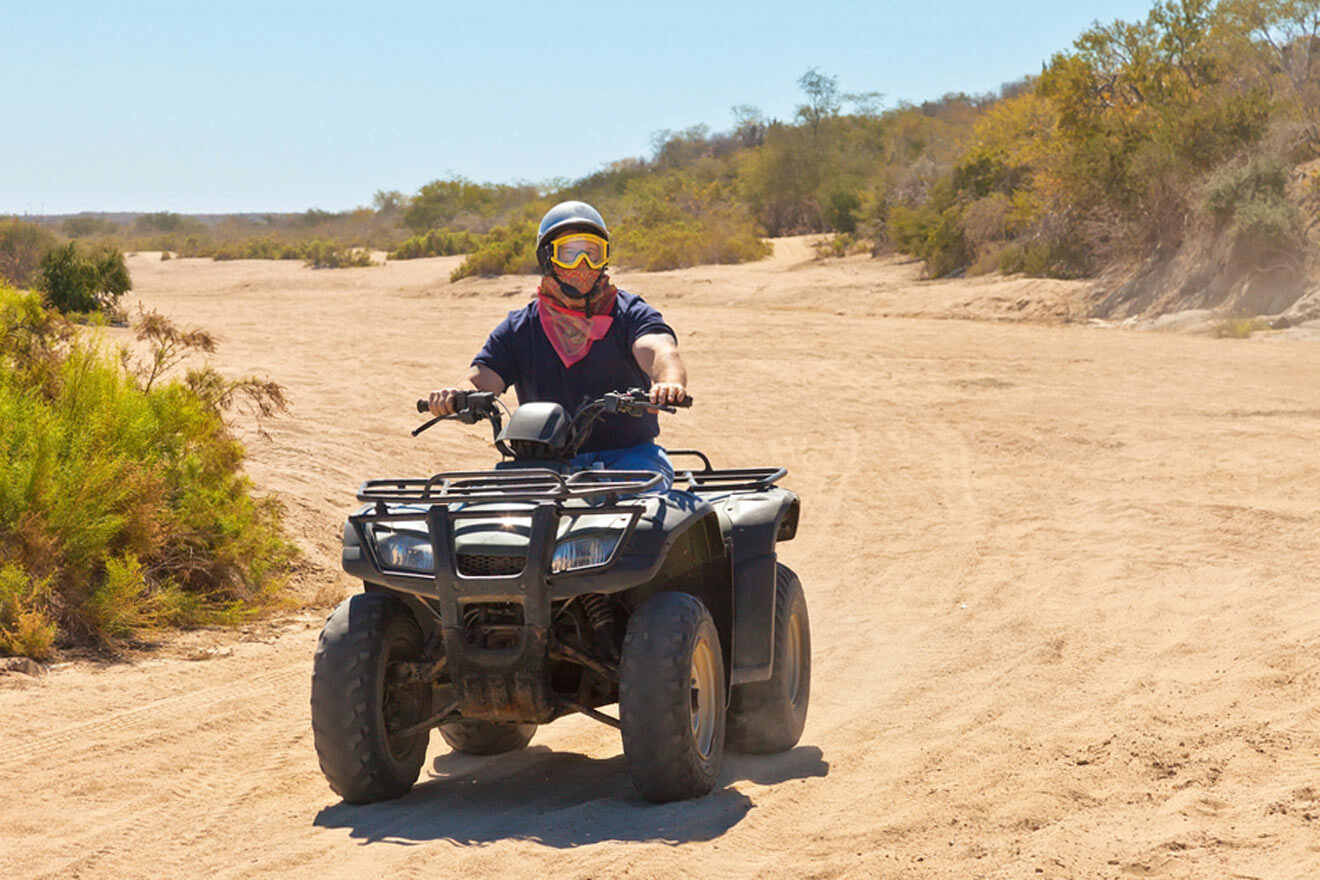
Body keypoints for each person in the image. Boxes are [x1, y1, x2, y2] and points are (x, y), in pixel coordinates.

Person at [428, 200, 687, 488]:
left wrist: (668, 383)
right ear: (548, 258)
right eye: (570, 254)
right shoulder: (520, 327)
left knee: (643, 515)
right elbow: (484, 378)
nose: (583, 265)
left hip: (629, 457)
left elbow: (659, 349)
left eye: (592, 253)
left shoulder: (629, 313)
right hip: (542, 464)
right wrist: (455, 398)